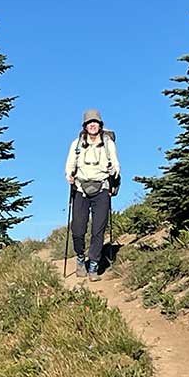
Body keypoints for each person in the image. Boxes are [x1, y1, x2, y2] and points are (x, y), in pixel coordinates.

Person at [65, 108, 120, 281]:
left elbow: (116, 165)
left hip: (102, 188)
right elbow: (69, 165)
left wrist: (114, 171)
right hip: (81, 189)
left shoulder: (108, 143)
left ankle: (94, 266)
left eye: (95, 122)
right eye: (89, 123)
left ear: (100, 124)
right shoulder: (76, 144)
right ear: (85, 126)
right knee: (78, 230)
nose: (93, 125)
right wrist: (69, 175)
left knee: (98, 229)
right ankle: (80, 258)